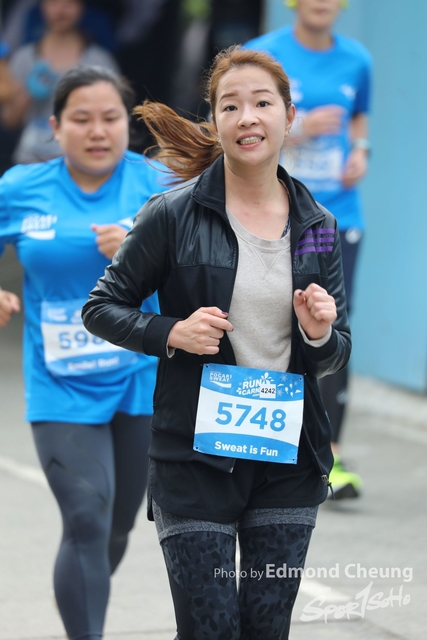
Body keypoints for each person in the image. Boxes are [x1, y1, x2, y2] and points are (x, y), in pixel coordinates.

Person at [82, 46, 351, 639]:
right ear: (215, 120)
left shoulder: (318, 226)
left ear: (289, 116)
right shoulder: (172, 215)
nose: (247, 117)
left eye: (262, 104)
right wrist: (171, 332)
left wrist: (319, 333)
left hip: (287, 456)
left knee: (266, 628)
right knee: (210, 629)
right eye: (230, 106)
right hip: (194, 457)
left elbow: (335, 353)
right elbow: (100, 308)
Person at [0, 65, 167, 640]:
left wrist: (139, 249)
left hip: (141, 379)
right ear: (55, 126)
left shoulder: (159, 184)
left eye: (110, 118)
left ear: (127, 124)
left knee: (117, 526)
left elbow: (206, 273)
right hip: (60, 383)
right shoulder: (22, 188)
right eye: (81, 119)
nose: (98, 131)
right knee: (87, 515)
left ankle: (82, 589)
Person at [245, 0, 372, 499]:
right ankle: (259, 440)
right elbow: (240, 130)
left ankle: (329, 455)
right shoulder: (261, 56)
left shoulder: (357, 59)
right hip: (277, 213)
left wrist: (361, 153)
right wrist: (299, 130)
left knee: (330, 322)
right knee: (269, 316)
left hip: (336, 217)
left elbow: (359, 119)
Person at [1, 0, 118, 164]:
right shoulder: (23, 58)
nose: (61, 9)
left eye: (69, 3)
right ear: (42, 6)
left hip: (82, 162)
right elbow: (9, 121)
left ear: (82, 7)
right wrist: (24, 98)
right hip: (33, 161)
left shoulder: (99, 62)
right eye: (53, 2)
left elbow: (115, 118)